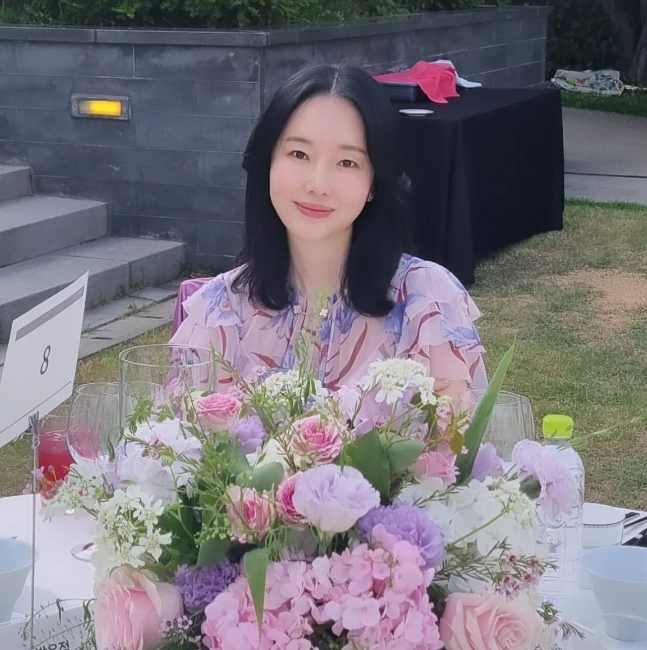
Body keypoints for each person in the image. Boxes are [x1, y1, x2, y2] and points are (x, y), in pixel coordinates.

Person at [171, 64, 487, 406]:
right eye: (299, 154)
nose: (318, 185)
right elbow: (185, 435)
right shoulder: (219, 311)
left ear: (375, 182)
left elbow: (456, 435)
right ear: (268, 164)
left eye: (347, 162)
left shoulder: (426, 302)